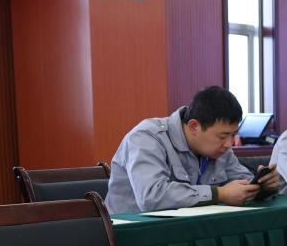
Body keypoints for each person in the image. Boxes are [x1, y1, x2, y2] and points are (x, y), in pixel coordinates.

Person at [106, 85, 277, 213]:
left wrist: (262, 186)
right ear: (194, 126)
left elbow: (240, 182)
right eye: (223, 136)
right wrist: (219, 194)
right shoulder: (146, 138)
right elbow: (152, 197)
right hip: (129, 234)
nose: (229, 143)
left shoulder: (219, 148)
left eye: (233, 135)